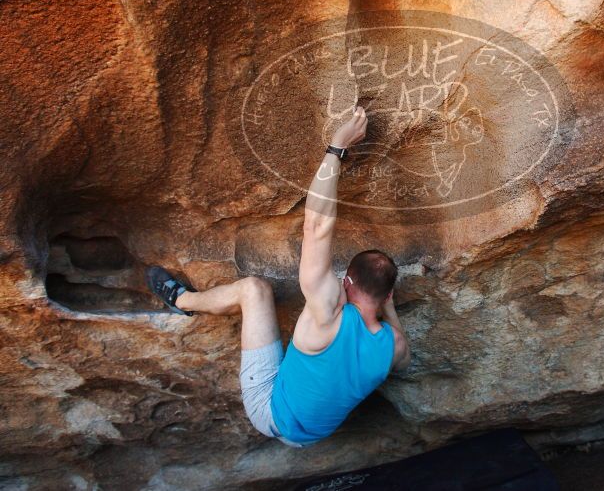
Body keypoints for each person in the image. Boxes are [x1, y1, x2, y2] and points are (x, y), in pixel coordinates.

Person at [146, 106, 411, 448]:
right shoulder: (395, 347)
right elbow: (401, 353)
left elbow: (315, 227)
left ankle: (184, 301)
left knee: (254, 290)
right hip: (315, 435)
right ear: (389, 296)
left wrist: (336, 148)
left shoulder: (328, 313)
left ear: (346, 282)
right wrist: (386, 307)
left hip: (271, 413)